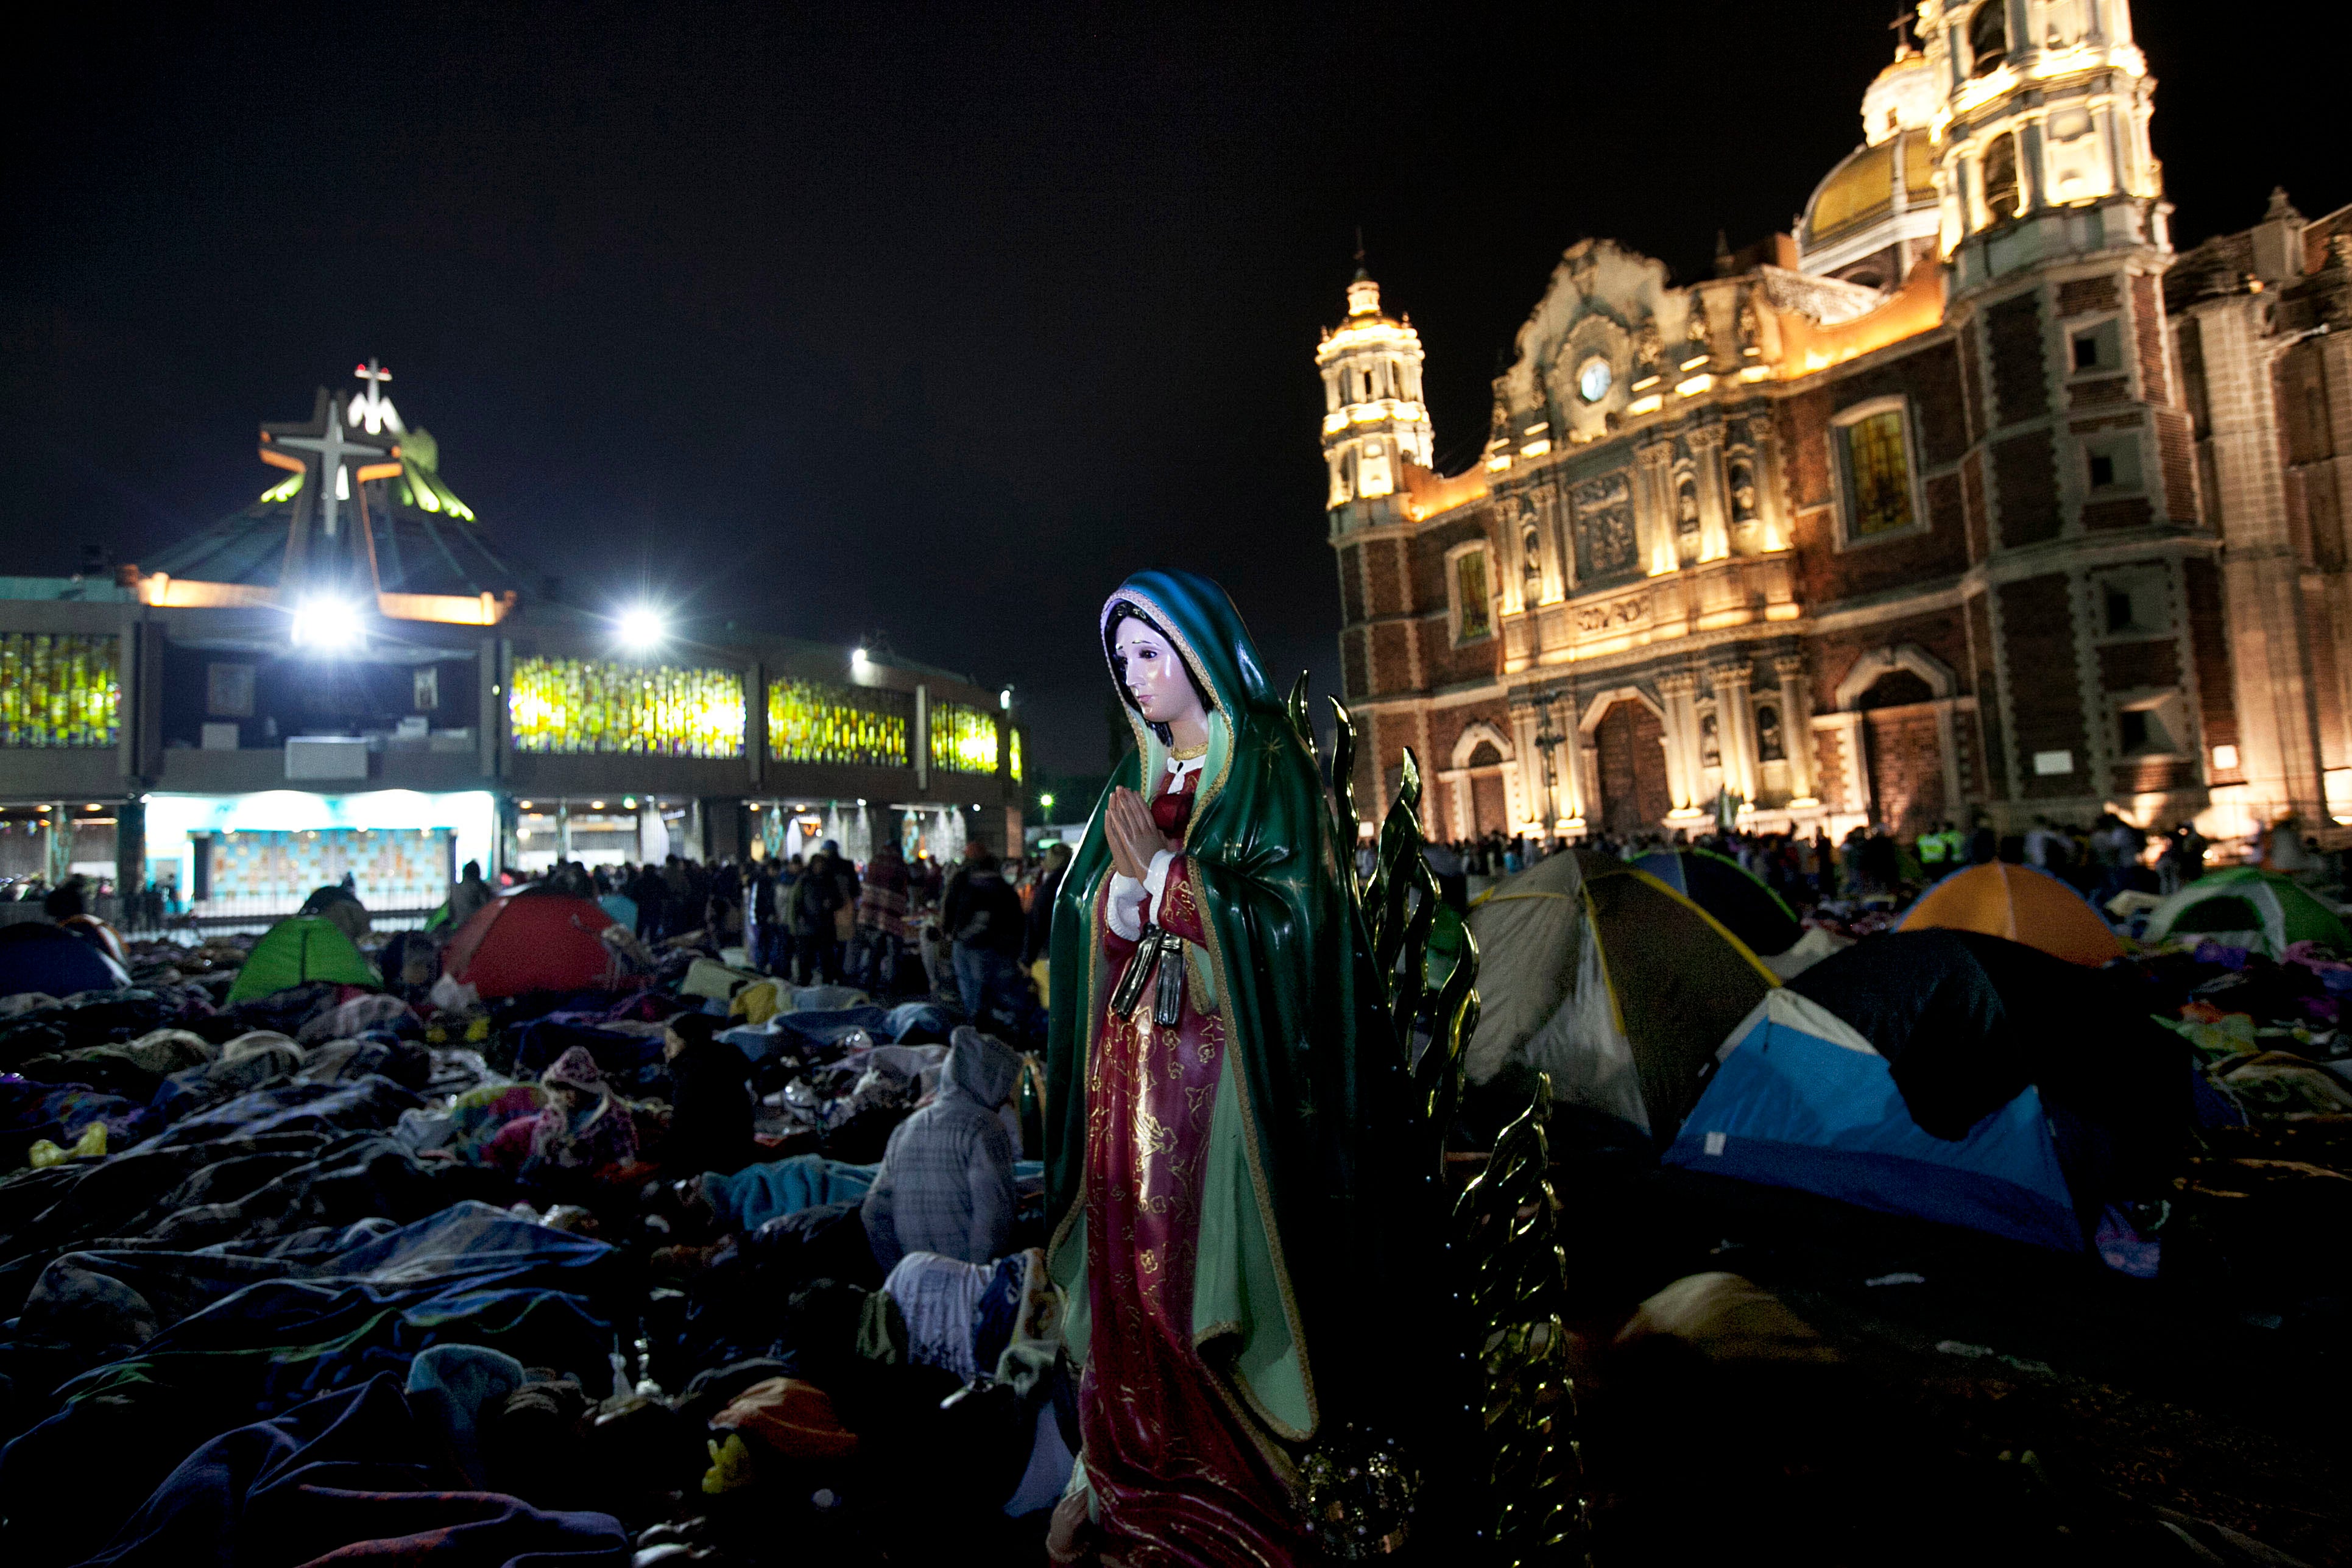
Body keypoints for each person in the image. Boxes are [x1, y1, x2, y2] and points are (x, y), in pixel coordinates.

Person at [1044, 571, 1439, 1564]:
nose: (1134, 675)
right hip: (1134, 1070)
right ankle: (1136, 1457)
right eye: (1122, 657)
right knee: (1132, 1270)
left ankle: (1242, 1464)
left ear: (1201, 652)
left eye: (1151, 652)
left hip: (1230, 1085)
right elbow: (1083, 910)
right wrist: (1119, 906)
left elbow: (1295, 918)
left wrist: (1170, 880)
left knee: (1194, 1273)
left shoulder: (1265, 762)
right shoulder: (1131, 778)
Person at [860, 1024, 1019, 1272]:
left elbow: (873, 1213)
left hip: (916, 1283)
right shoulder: (984, 1125)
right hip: (967, 1283)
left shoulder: (907, 1127)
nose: (1006, 1099)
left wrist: (900, 1274)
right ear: (990, 1082)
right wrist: (974, 1281)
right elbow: (993, 1219)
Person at [660, 1013, 757, 1176]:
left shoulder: (691, 1072)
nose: (666, 1050)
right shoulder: (723, 1057)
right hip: (742, 1150)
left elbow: (683, 1127)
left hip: (715, 1161)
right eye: (666, 1043)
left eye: (673, 1042)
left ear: (691, 1040)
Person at [941, 839, 1024, 1024]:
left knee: (968, 984)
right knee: (983, 985)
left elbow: (949, 906)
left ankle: (975, 1020)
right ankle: (984, 1020)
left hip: (965, 941)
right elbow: (1015, 918)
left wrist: (948, 931)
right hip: (989, 944)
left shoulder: (962, 880)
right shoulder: (1001, 886)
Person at [853, 838, 910, 992]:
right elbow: (903, 888)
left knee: (875, 949)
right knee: (894, 950)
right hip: (891, 914)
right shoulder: (900, 864)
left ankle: (871, 980)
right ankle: (893, 982)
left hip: (873, 913)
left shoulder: (875, 862)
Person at [448, 860, 493, 930]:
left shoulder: (455, 889)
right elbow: (488, 908)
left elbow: (451, 912)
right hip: (477, 927)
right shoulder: (479, 887)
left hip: (460, 928)